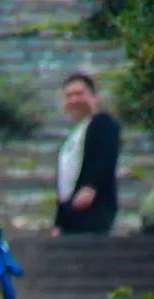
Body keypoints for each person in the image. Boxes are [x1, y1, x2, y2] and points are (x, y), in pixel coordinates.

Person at [53, 72, 120, 238]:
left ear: (94, 97)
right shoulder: (74, 135)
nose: (74, 100)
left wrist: (91, 186)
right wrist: (59, 221)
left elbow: (104, 155)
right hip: (71, 211)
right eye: (69, 96)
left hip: (92, 207)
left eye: (79, 94)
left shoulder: (101, 122)